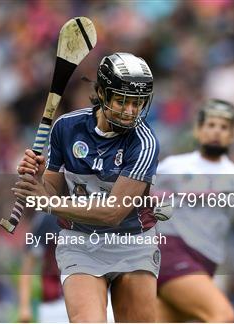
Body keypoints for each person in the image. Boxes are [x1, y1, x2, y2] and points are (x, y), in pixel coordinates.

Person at [13, 52, 160, 322]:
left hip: (132, 244)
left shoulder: (144, 143)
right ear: (102, 94)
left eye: (137, 103)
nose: (130, 112)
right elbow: (53, 194)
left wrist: (47, 202)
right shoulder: (66, 128)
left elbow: (112, 214)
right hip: (80, 242)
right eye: (122, 101)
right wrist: (38, 179)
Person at [154, 99, 234, 322]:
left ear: (232, 135)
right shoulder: (173, 166)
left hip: (205, 262)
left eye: (224, 127)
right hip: (171, 251)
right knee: (222, 315)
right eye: (210, 125)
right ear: (199, 131)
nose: (217, 131)